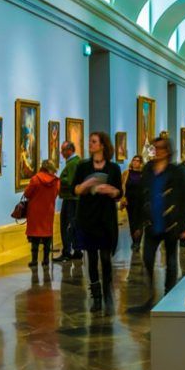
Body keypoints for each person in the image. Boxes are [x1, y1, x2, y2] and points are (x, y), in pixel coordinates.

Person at [129, 137, 185, 312]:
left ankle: (169, 296)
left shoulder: (176, 171)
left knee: (171, 263)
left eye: (160, 148)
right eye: (155, 148)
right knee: (147, 258)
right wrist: (137, 225)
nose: (156, 151)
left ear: (167, 150)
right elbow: (141, 198)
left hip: (171, 224)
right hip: (152, 223)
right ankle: (149, 296)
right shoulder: (148, 169)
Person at [73, 132, 123, 313]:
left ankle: (108, 293)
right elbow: (76, 189)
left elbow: (119, 194)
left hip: (106, 218)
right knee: (91, 259)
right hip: (87, 217)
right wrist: (86, 186)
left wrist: (110, 191)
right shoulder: (83, 166)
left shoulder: (113, 168)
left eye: (93, 142)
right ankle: (96, 296)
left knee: (105, 258)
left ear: (102, 145)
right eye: (90, 141)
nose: (90, 144)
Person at [24, 160, 59, 267]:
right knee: (47, 236)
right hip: (48, 211)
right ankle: (46, 260)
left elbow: (27, 193)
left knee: (35, 237)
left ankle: (34, 260)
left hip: (35, 212)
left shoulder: (35, 179)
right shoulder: (56, 181)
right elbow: (56, 194)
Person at [53, 141, 83, 262]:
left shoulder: (72, 164)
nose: (61, 153)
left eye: (63, 150)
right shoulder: (75, 162)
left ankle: (66, 251)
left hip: (71, 199)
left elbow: (71, 181)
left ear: (70, 150)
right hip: (74, 199)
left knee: (66, 225)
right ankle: (77, 250)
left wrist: (60, 179)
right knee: (74, 225)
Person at [121, 155, 146, 250]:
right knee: (132, 222)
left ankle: (137, 242)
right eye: (134, 160)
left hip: (141, 201)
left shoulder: (143, 174)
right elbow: (122, 186)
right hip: (129, 202)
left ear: (141, 163)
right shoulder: (126, 173)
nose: (135, 162)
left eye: (138, 161)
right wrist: (123, 198)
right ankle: (134, 240)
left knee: (139, 222)